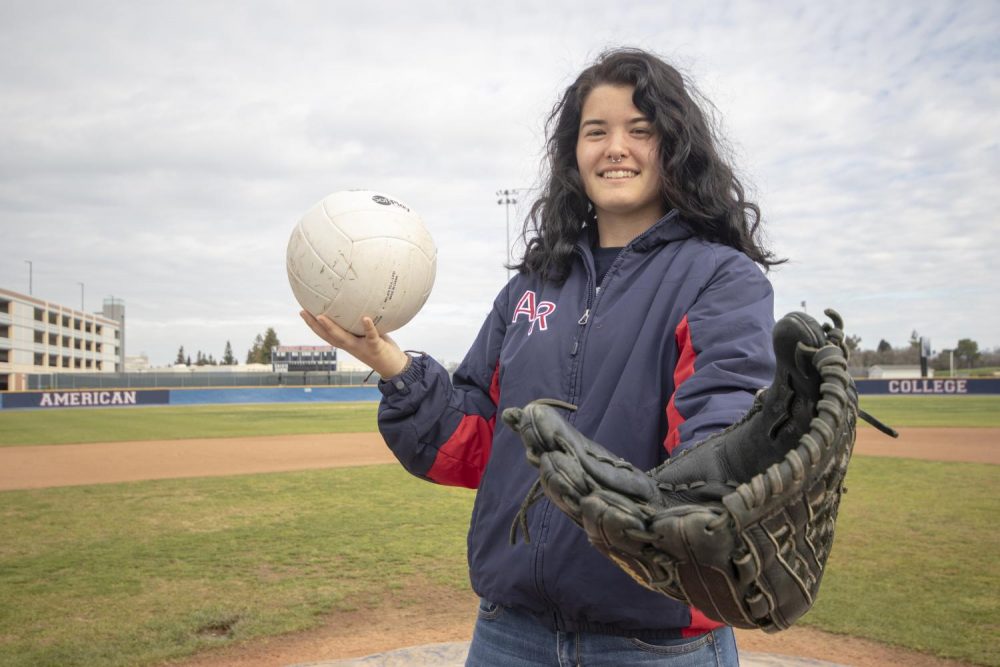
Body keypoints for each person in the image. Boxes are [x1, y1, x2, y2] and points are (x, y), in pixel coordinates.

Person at [302, 47, 782, 667]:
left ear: (675, 147)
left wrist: (713, 492)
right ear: (572, 153)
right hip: (511, 635)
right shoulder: (531, 286)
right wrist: (393, 365)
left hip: (655, 642)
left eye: (641, 130)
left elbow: (719, 422)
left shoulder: (720, 278)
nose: (616, 147)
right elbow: (473, 442)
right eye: (596, 131)